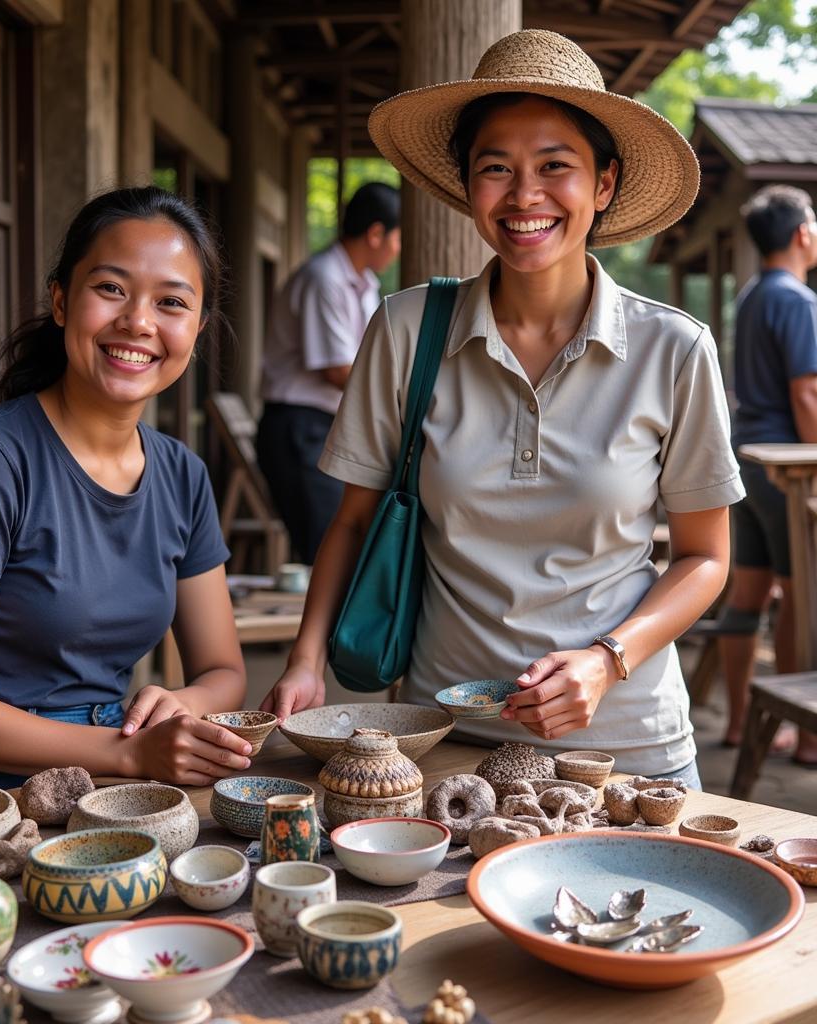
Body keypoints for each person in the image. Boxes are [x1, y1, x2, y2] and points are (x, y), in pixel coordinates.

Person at [261, 29, 746, 787]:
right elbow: (353, 521)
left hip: (624, 748)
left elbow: (706, 557)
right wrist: (304, 660)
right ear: (466, 186)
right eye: (497, 169)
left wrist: (606, 659)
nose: (525, 197)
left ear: (605, 184)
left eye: (557, 167)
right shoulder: (406, 328)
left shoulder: (675, 349)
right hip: (444, 737)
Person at [0, 187, 253, 815]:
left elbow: (224, 671)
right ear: (61, 300)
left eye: (172, 302)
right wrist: (128, 754)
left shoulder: (183, 475)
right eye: (111, 289)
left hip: (94, 778)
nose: (138, 322)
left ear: (198, 329)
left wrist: (181, 704)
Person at [718, 185, 817, 764]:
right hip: (787, 472)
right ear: (802, 232)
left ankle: (739, 724)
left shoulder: (753, 295)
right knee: (803, 598)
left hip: (745, 463)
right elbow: (806, 391)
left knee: (748, 593)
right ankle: (807, 737)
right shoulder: (799, 300)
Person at [257, 182, 401, 564]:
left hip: (327, 425)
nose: (397, 248)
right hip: (299, 428)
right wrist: (405, 396)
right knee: (327, 550)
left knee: (348, 547)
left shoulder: (364, 284)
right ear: (375, 233)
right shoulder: (325, 279)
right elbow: (337, 370)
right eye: (397, 237)